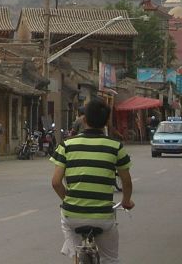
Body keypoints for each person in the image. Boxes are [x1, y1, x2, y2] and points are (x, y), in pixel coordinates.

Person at [50, 97, 134, 263]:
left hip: (72, 215)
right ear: (106, 122)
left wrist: (69, 200)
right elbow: (126, 182)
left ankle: (76, 257)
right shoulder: (116, 146)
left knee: (74, 244)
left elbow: (56, 182)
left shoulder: (67, 145)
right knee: (110, 258)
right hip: (103, 217)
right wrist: (126, 201)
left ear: (84, 119)